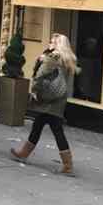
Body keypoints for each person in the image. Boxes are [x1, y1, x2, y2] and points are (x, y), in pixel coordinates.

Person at [10, 33, 78, 174]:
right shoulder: (67, 59)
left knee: (55, 129)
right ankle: (24, 153)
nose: (49, 44)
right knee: (40, 125)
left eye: (52, 42)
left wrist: (34, 89)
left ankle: (68, 165)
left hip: (48, 100)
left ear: (58, 45)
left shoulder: (53, 57)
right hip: (59, 99)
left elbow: (41, 75)